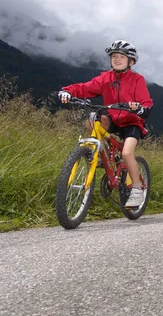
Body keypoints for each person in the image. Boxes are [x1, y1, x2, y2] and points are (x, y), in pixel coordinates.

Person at [58, 40, 153, 208]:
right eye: (114, 56)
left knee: (126, 153)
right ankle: (102, 154)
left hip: (132, 122)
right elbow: (85, 88)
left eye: (121, 57)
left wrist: (139, 108)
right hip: (113, 119)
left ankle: (137, 189)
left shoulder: (137, 80)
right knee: (92, 120)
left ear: (130, 61)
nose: (116, 59)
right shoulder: (105, 78)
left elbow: (146, 103)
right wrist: (68, 91)